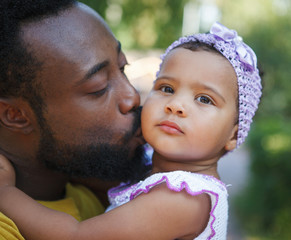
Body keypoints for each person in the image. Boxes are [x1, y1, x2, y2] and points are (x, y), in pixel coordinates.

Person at [0, 22, 262, 239]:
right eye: (166, 88)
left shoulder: (183, 199)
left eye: (205, 99)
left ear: (233, 135)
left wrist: (6, 193)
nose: (176, 106)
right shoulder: (154, 168)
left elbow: (76, 236)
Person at [0, 0, 149, 239]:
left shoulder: (92, 201)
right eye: (99, 88)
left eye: (122, 67)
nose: (132, 97)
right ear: (14, 115)